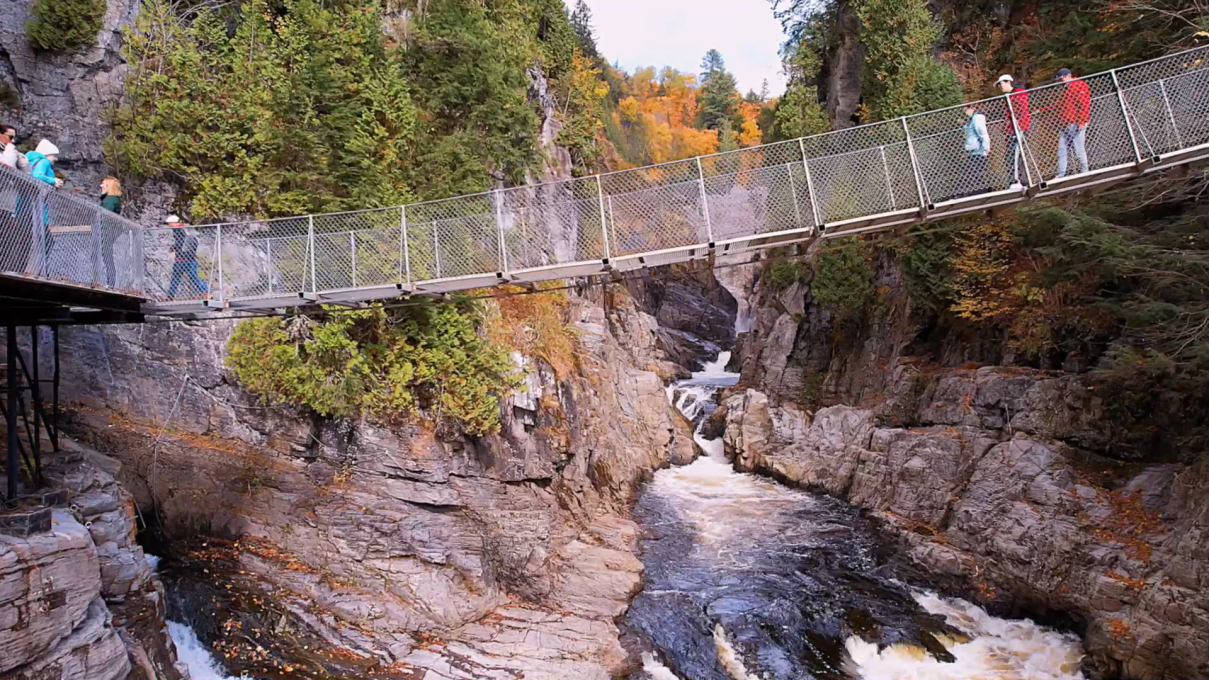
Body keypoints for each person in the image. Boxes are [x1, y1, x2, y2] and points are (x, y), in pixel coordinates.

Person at [0, 123, 30, 273]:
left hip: (7, 205)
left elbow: (26, 177)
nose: (12, 141)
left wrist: (22, 160)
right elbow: (5, 171)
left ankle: (7, 271)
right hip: (2, 202)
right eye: (10, 137)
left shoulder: (7, 151)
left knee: (7, 240)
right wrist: (10, 153)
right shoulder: (4, 152)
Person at [1053, 68, 1091, 178]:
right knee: (1062, 149)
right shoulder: (1066, 89)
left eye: (1062, 78)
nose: (1061, 81)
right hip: (1066, 124)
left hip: (1075, 122)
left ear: (1068, 75)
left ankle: (1085, 171)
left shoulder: (1078, 85)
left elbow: (1083, 104)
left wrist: (1082, 120)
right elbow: (1059, 105)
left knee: (1079, 148)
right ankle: (1061, 173)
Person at [997, 75, 1030, 190]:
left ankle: (1017, 180)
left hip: (1019, 128)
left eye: (1001, 84)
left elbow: (1021, 108)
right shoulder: (1009, 96)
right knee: (1013, 155)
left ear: (1008, 82)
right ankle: (1022, 181)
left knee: (1014, 155)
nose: (1001, 87)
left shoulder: (1018, 93)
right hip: (1013, 129)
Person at [166, 214, 206, 299]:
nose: (169, 225)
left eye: (169, 223)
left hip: (181, 259)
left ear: (173, 223)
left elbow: (181, 241)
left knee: (176, 278)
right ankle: (204, 292)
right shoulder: (184, 229)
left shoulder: (178, 230)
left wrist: (173, 247)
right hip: (189, 259)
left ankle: (170, 296)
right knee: (194, 278)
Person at [961, 103, 991, 196]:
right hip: (973, 151)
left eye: (966, 110)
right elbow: (970, 133)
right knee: (974, 172)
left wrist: (986, 146)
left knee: (978, 172)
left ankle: (984, 190)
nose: (965, 113)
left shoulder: (977, 118)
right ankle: (980, 190)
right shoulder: (971, 120)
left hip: (979, 150)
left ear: (972, 108)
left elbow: (982, 132)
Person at [98, 177, 124, 287]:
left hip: (108, 229)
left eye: (103, 184)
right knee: (106, 255)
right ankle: (110, 282)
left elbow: (106, 214)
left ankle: (109, 283)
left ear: (109, 186)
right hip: (111, 229)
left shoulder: (109, 199)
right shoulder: (114, 199)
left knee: (106, 255)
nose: (101, 186)